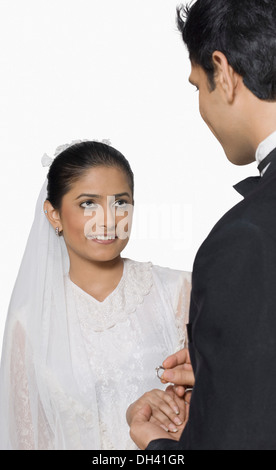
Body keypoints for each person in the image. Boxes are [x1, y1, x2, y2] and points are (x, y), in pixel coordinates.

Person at [129, 0, 276, 450]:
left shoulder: (243, 240)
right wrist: (226, 378)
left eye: (198, 86)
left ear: (224, 72)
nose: (201, 105)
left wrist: (157, 448)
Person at [0, 140, 192, 450]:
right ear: (54, 214)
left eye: (120, 203)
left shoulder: (179, 292)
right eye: (88, 203)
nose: (107, 220)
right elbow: (27, 440)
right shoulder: (31, 321)